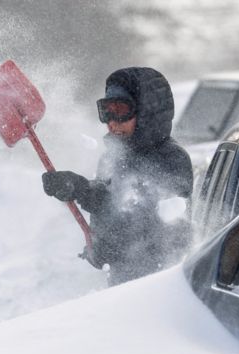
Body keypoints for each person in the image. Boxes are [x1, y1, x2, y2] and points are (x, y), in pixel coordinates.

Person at [42, 67, 193, 286]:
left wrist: (110, 246)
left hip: (158, 289)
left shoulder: (171, 160)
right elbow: (108, 206)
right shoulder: (112, 158)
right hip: (121, 287)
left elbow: (154, 228)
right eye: (106, 111)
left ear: (145, 111)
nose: (112, 122)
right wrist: (77, 188)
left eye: (120, 110)